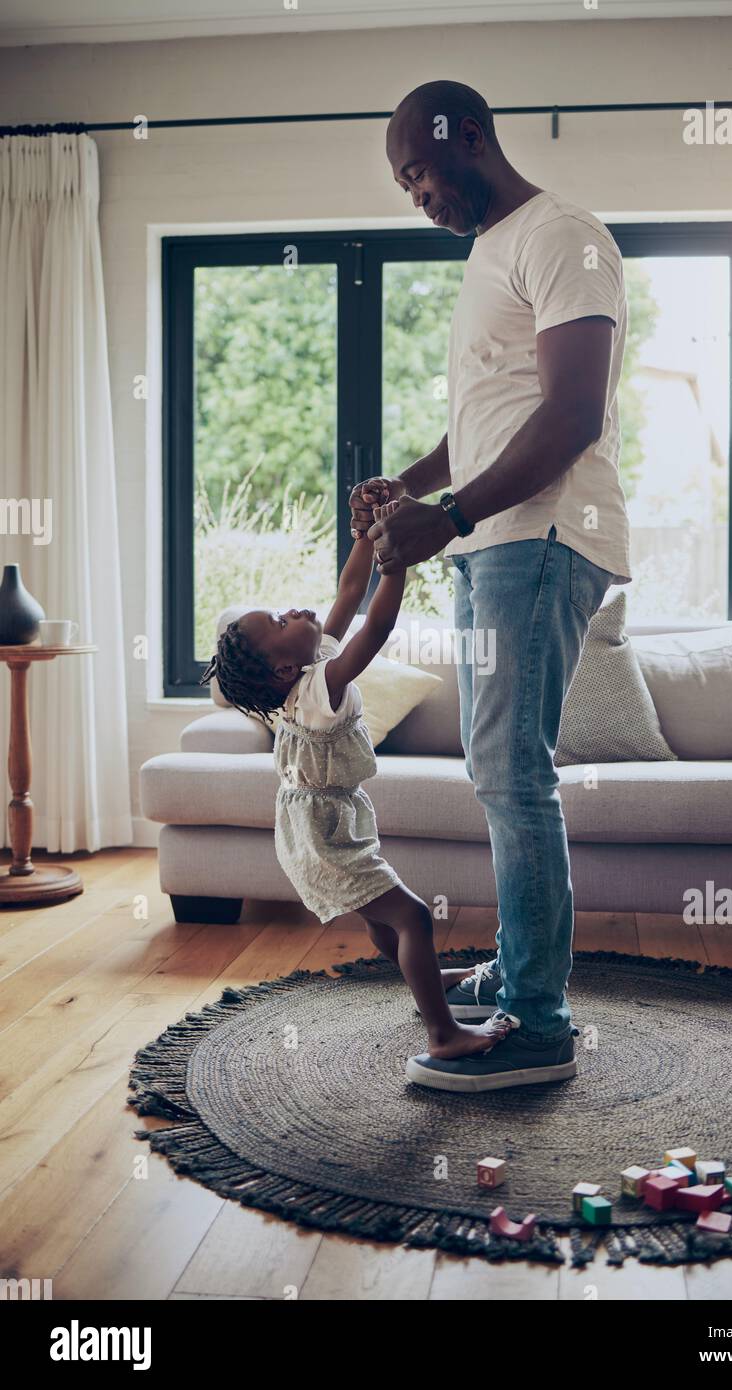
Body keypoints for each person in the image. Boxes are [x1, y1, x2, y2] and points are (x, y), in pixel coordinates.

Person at [350, 79, 632, 1092]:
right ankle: (517, 974)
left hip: (536, 535)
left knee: (512, 777)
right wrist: (418, 485)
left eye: (418, 171)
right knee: (497, 773)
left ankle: (538, 1025)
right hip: (494, 539)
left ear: (465, 135)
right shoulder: (490, 251)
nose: (414, 196)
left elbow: (571, 414)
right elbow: (494, 412)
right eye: (402, 186)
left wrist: (454, 513)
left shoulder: (560, 233)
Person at [198, 496, 509, 1062]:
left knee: (380, 917)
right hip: (324, 832)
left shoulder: (310, 666)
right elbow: (378, 623)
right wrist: (397, 564)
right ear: (282, 670)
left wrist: (367, 538)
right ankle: (442, 1033)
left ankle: (429, 984)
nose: (292, 611)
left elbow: (346, 593)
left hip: (311, 824)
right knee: (412, 915)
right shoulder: (321, 689)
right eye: (279, 621)